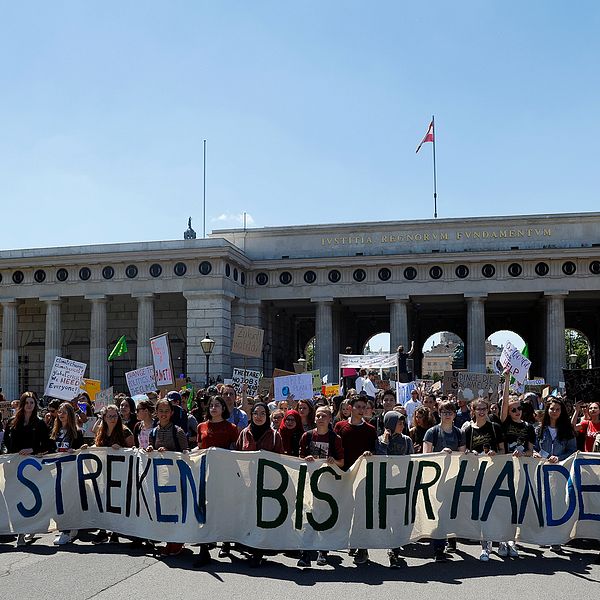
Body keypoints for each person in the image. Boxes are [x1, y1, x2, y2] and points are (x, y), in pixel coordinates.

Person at [235, 402, 283, 566]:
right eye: (256, 413)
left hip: (267, 485)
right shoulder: (243, 434)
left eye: (263, 413)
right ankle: (249, 544)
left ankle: (259, 551)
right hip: (248, 483)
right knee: (249, 515)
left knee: (262, 517)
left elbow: (279, 461)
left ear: (267, 416)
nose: (259, 416)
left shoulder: (275, 435)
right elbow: (238, 456)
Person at [194, 395, 239, 567]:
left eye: (218, 405)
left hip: (224, 475)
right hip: (205, 474)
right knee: (205, 509)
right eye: (211, 405)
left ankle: (226, 543)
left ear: (223, 409)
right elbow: (200, 448)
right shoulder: (201, 426)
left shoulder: (231, 428)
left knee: (224, 509)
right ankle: (204, 549)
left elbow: (235, 450)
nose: (214, 408)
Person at [297, 405, 344, 567]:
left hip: (327, 485)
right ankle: (304, 553)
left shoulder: (335, 438)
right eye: (318, 416)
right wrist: (306, 458)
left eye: (324, 416)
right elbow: (299, 459)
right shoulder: (307, 436)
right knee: (307, 517)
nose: (320, 419)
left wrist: (333, 461)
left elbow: (342, 462)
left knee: (324, 517)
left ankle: (323, 551)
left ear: (330, 419)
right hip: (310, 483)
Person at [333, 395, 377, 565]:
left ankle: (362, 548)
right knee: (345, 511)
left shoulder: (370, 429)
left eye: (363, 407)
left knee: (360, 512)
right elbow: (335, 449)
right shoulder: (340, 426)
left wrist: (369, 454)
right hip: (343, 474)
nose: (361, 409)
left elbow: (374, 451)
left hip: (362, 476)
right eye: (357, 406)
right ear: (350, 408)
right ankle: (352, 540)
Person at [4, 391, 51, 547]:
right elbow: (5, 443)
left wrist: (32, 450)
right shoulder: (12, 422)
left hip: (32, 468)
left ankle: (26, 530)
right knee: (15, 498)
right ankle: (20, 531)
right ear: (22, 404)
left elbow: (47, 445)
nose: (29, 405)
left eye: (32, 402)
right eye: (27, 402)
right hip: (14, 466)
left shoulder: (40, 423)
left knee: (29, 499)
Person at [422, 401, 466, 561]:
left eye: (450, 412)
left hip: (453, 478)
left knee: (453, 510)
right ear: (439, 414)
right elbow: (425, 456)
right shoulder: (432, 432)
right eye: (444, 412)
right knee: (439, 513)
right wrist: (440, 454)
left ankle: (452, 539)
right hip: (436, 479)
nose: (447, 415)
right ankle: (438, 548)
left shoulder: (460, 433)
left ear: (455, 414)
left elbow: (462, 456)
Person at [146, 398, 189, 556]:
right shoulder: (153, 432)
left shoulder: (178, 431)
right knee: (163, 508)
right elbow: (151, 450)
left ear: (171, 413)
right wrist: (151, 449)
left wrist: (170, 452)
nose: (163, 414)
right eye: (160, 411)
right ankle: (167, 540)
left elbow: (186, 454)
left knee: (175, 508)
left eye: (166, 411)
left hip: (176, 477)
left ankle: (177, 541)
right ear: (156, 413)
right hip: (161, 477)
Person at [464, 398, 504, 562]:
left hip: (494, 473)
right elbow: (463, 451)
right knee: (483, 511)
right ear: (472, 410)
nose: (481, 411)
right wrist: (470, 453)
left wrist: (496, 454)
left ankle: (502, 541)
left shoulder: (495, 428)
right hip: (476, 475)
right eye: (478, 409)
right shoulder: (467, 430)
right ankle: (485, 546)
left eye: (484, 409)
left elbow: (503, 451)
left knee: (498, 509)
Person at [92, 404, 135, 545]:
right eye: (109, 416)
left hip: (120, 473)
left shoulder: (125, 432)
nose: (112, 419)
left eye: (115, 416)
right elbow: (98, 447)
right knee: (104, 501)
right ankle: (103, 530)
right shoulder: (101, 431)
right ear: (104, 417)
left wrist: (121, 449)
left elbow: (134, 451)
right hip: (104, 472)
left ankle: (116, 531)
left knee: (116, 502)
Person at [375, 410, 413, 567]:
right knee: (386, 516)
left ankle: (394, 549)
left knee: (398, 517)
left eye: (403, 422)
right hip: (385, 484)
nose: (402, 425)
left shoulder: (407, 440)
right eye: (399, 422)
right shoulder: (380, 440)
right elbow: (380, 458)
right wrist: (385, 441)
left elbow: (411, 460)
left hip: (400, 484)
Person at [50, 402, 84, 545]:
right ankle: (67, 529)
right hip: (56, 471)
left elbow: (80, 451)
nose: (61, 414)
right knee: (58, 501)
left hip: (70, 472)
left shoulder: (77, 432)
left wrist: (74, 451)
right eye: (60, 412)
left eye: (64, 412)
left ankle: (67, 531)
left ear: (70, 414)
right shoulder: (54, 431)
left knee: (68, 501)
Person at [534, 397, 577, 463]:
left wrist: (559, 458)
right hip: (542, 467)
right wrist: (535, 453)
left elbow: (572, 451)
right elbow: (534, 447)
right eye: (552, 409)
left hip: (561, 468)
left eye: (557, 409)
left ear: (561, 411)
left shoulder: (568, 430)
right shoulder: (539, 429)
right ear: (547, 410)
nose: (554, 411)